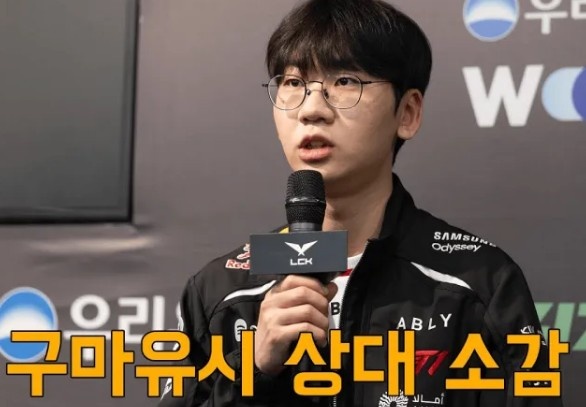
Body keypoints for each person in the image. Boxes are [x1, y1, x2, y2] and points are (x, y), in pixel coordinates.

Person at [159, 0, 564, 406]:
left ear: (407, 113)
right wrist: (254, 371)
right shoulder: (221, 292)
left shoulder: (480, 284)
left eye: (345, 81)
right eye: (293, 83)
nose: (311, 110)